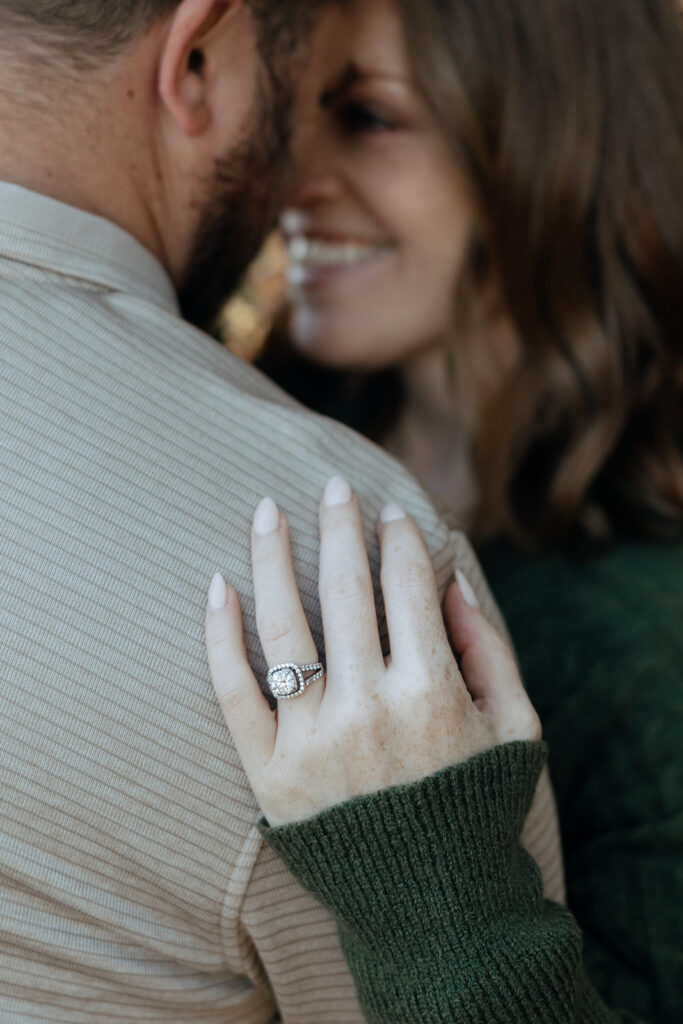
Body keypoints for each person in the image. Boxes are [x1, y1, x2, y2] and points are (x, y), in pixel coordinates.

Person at [0, 1, 565, 1021]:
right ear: (197, 57)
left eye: (370, 117)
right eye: (318, 100)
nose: (303, 173)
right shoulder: (328, 552)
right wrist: (446, 908)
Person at [206, 0, 683, 1021]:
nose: (295, 178)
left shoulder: (650, 640)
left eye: (368, 119)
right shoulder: (247, 431)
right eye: (297, 114)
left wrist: (429, 880)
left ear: (553, 137)